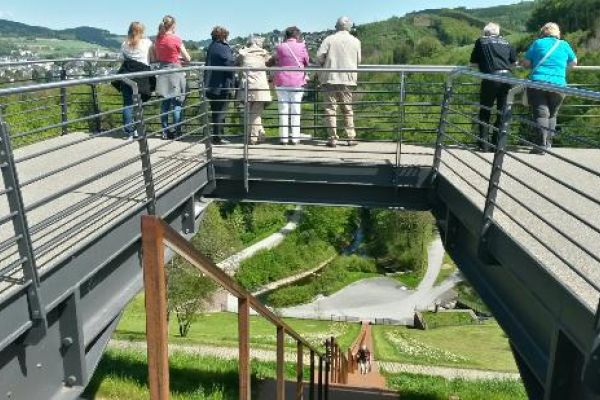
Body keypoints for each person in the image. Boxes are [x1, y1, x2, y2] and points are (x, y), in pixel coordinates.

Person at [522, 22, 577, 154]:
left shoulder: (538, 43)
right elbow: (574, 62)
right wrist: (561, 70)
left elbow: (526, 63)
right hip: (559, 84)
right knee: (552, 115)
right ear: (557, 33)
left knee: (541, 113)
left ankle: (540, 145)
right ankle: (548, 144)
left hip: (538, 83)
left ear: (543, 32)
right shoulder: (564, 45)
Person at [470, 22, 517, 152]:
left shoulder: (481, 41)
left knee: (485, 111)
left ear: (486, 32)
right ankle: (498, 145)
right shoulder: (507, 42)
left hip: (490, 79)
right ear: (498, 32)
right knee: (503, 112)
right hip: (507, 79)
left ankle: (484, 145)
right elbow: (513, 63)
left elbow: (473, 62)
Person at [317, 16, 361, 148]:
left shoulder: (329, 39)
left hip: (330, 78)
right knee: (347, 109)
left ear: (336, 26)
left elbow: (319, 56)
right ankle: (350, 137)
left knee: (330, 109)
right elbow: (358, 60)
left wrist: (325, 63)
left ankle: (333, 138)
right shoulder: (356, 41)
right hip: (347, 79)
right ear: (349, 27)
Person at [115, 22, 155, 140]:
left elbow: (121, 58)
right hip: (142, 75)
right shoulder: (147, 43)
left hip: (127, 75)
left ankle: (129, 132)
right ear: (142, 31)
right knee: (139, 103)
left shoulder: (124, 43)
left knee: (127, 104)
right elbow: (152, 58)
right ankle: (138, 130)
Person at [154, 15, 191, 139]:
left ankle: (165, 131)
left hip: (163, 72)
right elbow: (188, 58)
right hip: (176, 72)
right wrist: (179, 59)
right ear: (173, 25)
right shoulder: (176, 39)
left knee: (165, 104)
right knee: (177, 104)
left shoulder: (158, 39)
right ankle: (177, 132)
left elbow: (158, 56)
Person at [273, 26, 309, 145]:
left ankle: (283, 138)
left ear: (286, 35)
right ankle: (295, 138)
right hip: (297, 81)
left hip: (282, 80)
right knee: (295, 110)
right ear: (297, 35)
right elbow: (306, 61)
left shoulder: (280, 46)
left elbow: (276, 60)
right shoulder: (302, 46)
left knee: (283, 110)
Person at [237, 36, 272, 145]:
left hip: (246, 87)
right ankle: (253, 138)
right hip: (260, 88)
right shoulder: (264, 54)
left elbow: (237, 63)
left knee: (250, 113)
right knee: (256, 114)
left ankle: (258, 136)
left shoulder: (242, 54)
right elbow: (270, 63)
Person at [205, 26, 236, 145]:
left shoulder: (212, 46)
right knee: (221, 111)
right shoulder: (222, 47)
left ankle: (217, 136)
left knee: (216, 111)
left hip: (212, 84)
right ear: (224, 36)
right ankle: (218, 137)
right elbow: (229, 63)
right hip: (221, 84)